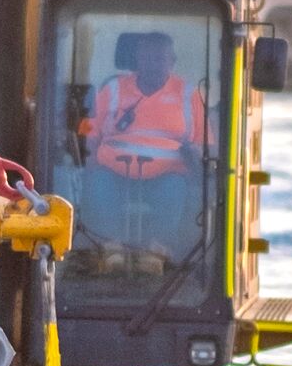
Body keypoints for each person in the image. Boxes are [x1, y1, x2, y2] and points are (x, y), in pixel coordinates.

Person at [74, 29, 209, 276]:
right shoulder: (112, 90)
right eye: (146, 58)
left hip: (168, 175)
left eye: (159, 58)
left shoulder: (189, 96)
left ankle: (155, 252)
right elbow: (89, 135)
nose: (152, 64)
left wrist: (195, 157)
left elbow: (205, 143)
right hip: (112, 171)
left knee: (174, 192)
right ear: (136, 60)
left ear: (172, 62)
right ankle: (110, 248)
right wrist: (89, 161)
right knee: (96, 184)